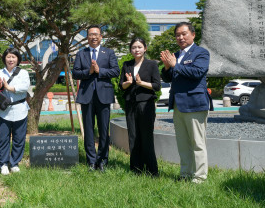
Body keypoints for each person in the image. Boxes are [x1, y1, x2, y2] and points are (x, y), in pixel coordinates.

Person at [160, 22, 213, 183]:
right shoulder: (176, 55)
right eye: (177, 35)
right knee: (182, 143)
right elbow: (167, 78)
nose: (180, 37)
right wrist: (167, 67)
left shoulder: (201, 53)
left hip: (195, 103)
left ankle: (199, 177)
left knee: (197, 142)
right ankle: (185, 174)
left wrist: (176, 65)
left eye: (184, 34)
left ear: (193, 34)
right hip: (178, 103)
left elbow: (197, 72)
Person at [72, 25, 120, 172]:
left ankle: (103, 160)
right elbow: (75, 73)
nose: (93, 37)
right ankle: (91, 161)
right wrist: (89, 71)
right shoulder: (81, 53)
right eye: (90, 34)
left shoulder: (109, 52)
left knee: (104, 130)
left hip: (104, 96)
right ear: (87, 38)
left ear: (101, 37)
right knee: (89, 130)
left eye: (96, 34)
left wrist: (100, 71)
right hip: (87, 97)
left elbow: (116, 71)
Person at [119, 37, 161, 176]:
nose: (136, 50)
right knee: (133, 136)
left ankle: (152, 170)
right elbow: (122, 86)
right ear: (131, 50)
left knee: (146, 136)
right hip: (131, 104)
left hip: (146, 104)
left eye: (139, 47)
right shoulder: (127, 64)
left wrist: (141, 83)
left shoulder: (152, 65)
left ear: (145, 48)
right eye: (134, 47)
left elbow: (156, 86)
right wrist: (129, 82)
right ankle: (136, 169)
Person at [0, 47, 30, 175]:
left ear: (17, 59)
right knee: (3, 139)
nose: (11, 59)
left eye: (13, 57)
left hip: (20, 110)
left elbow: (24, 87)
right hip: (3, 111)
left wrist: (9, 87)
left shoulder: (24, 73)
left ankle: (15, 163)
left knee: (19, 138)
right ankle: (3, 164)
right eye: (8, 57)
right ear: (4, 59)